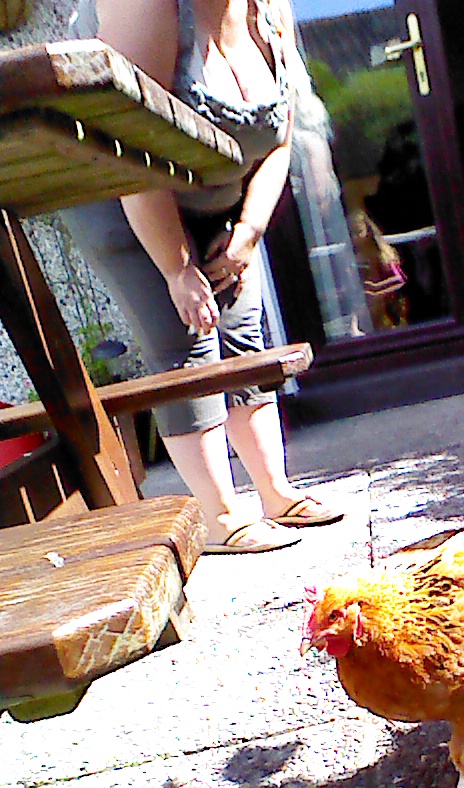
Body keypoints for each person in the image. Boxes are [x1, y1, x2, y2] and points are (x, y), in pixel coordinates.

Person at [61, 0, 342, 552]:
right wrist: (176, 267)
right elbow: (128, 145)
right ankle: (219, 516)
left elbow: (279, 136)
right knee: (187, 342)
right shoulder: (146, 7)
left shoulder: (269, 9)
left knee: (243, 332)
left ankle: (276, 493)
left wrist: (249, 231)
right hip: (126, 196)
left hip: (219, 197)